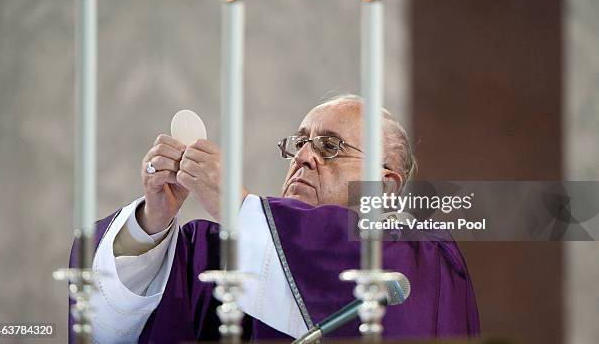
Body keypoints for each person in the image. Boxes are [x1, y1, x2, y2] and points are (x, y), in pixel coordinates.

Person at [68, 94, 480, 343]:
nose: (303, 155)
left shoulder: (421, 255)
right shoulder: (223, 256)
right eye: (299, 143)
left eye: (330, 146)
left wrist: (231, 200)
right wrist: (153, 221)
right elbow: (108, 325)